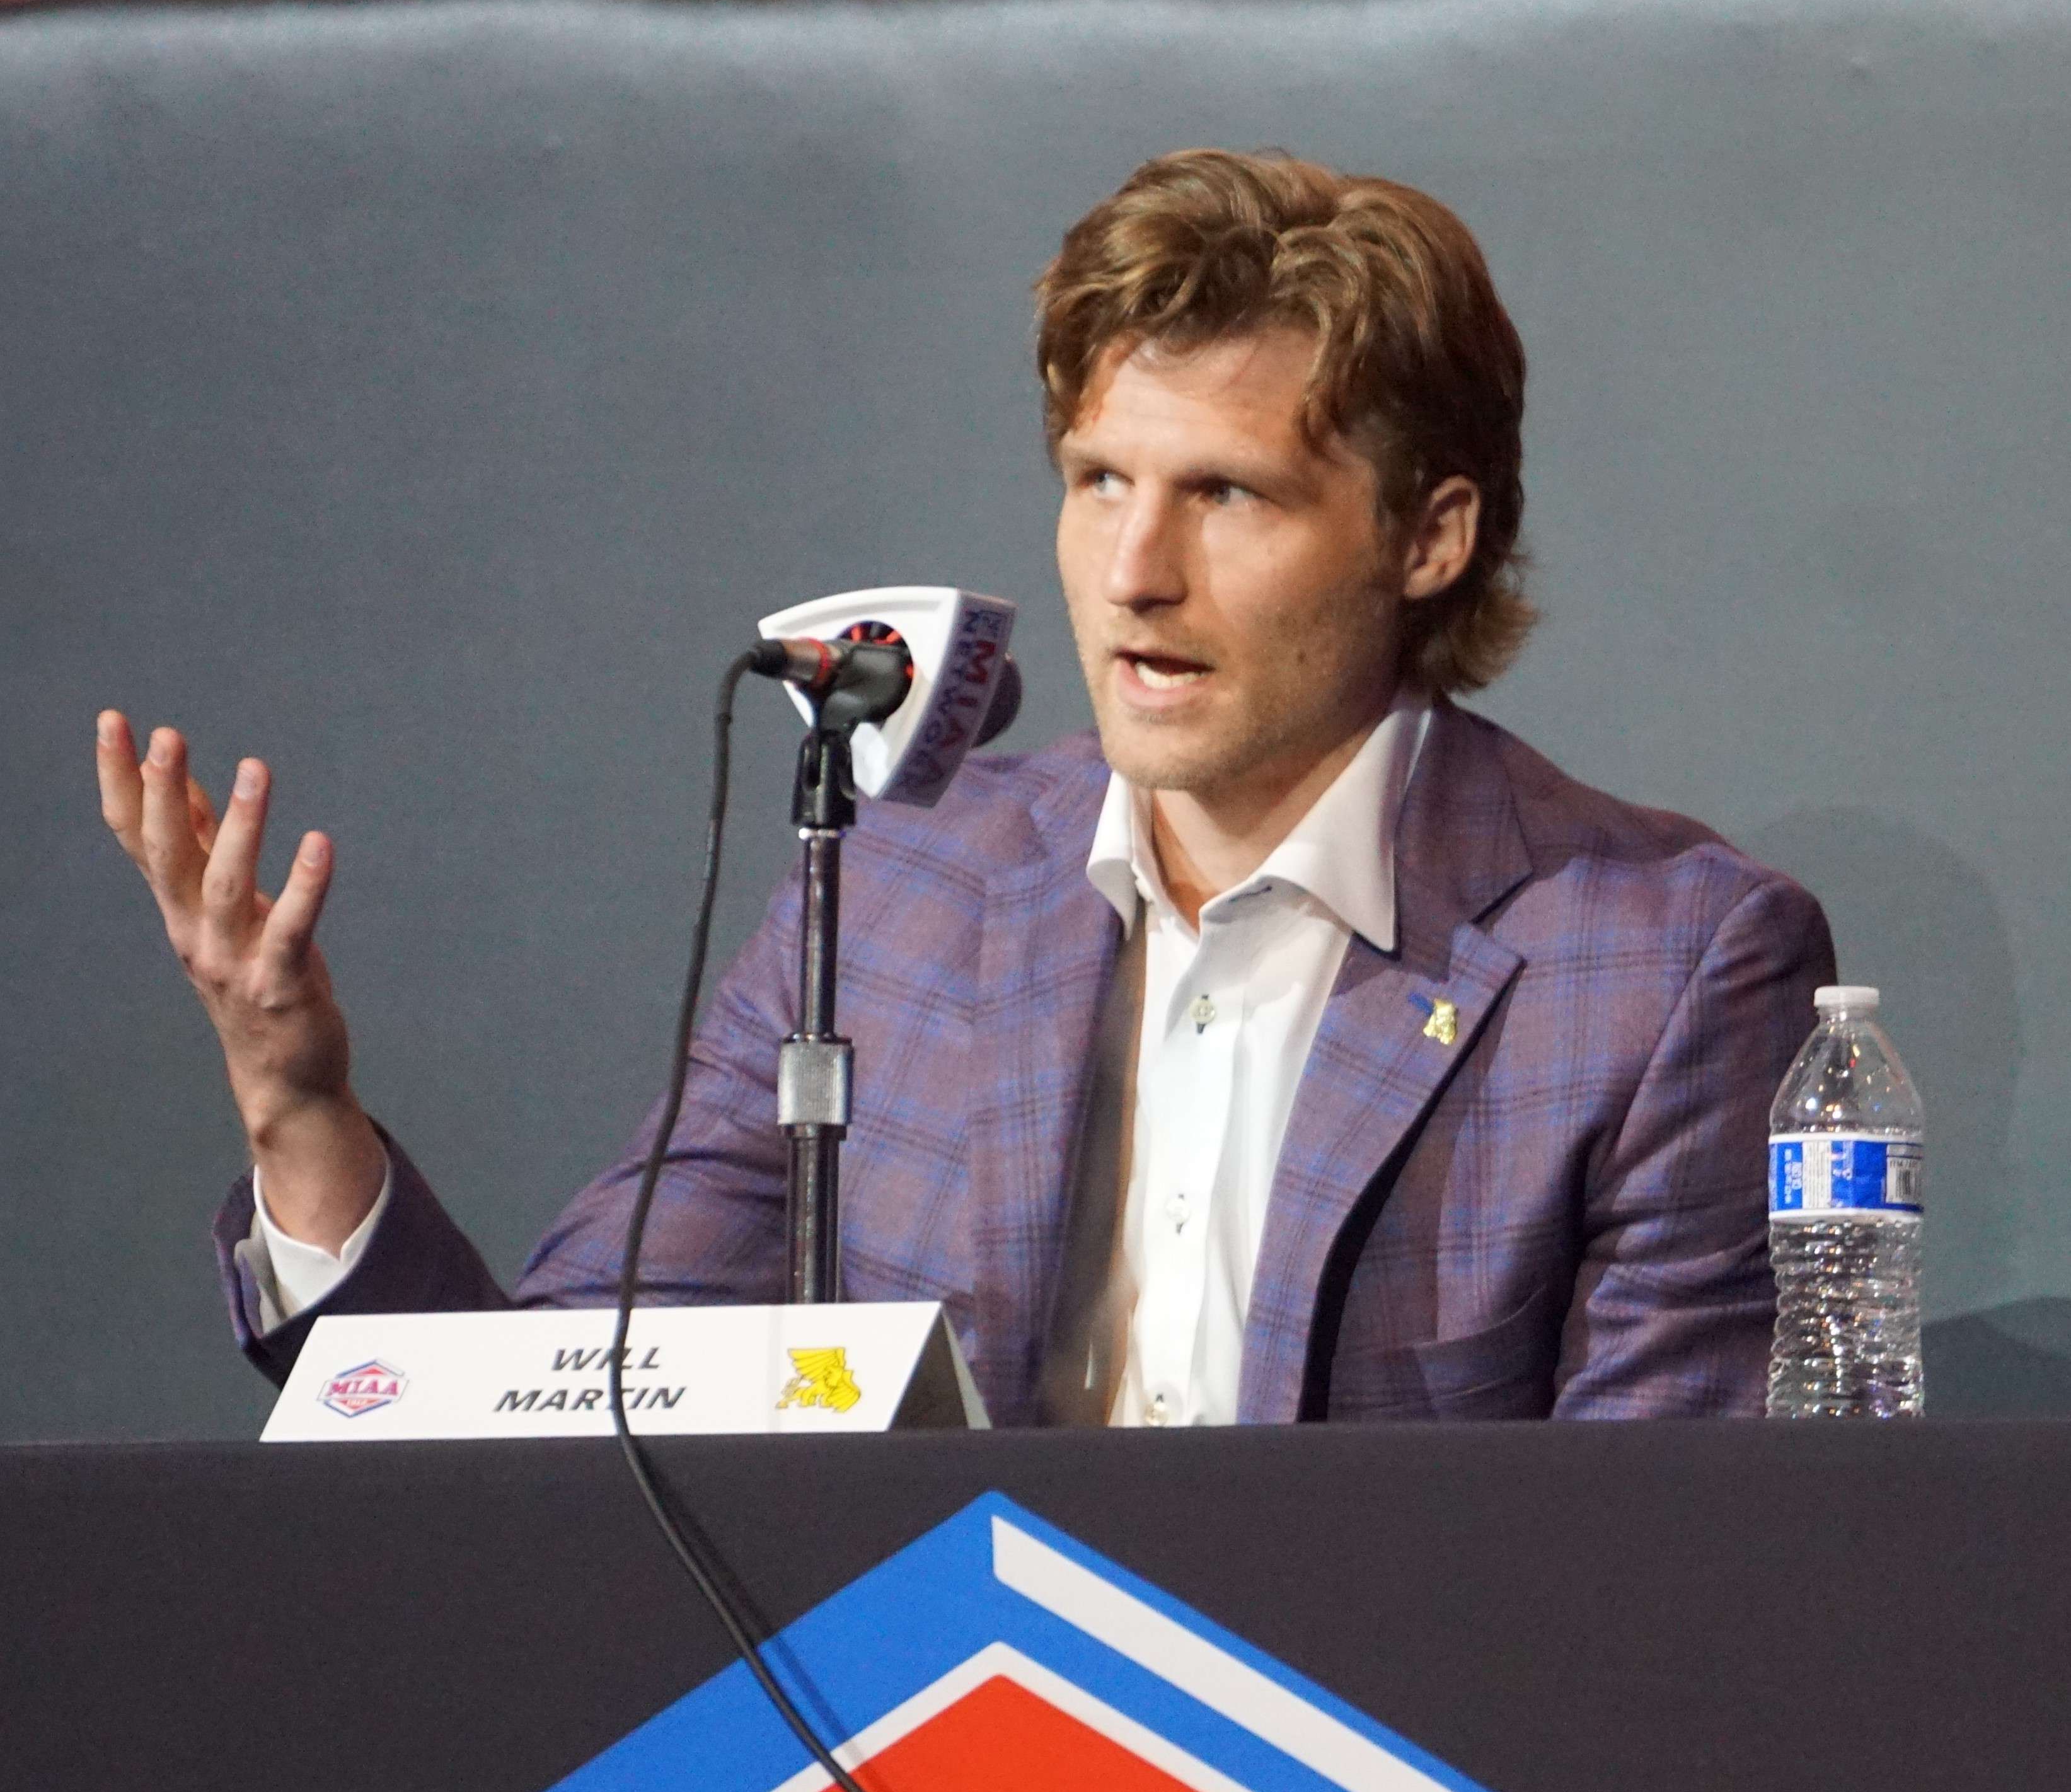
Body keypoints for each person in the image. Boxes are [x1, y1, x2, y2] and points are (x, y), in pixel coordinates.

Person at [96, 148, 1833, 1426]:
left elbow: (1661, 1576)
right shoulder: (901, 888)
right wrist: (299, 1115)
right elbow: (560, 1423)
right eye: (1097, 480)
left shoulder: (1659, 969)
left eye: (1227, 495)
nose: (1133, 572)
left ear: (1431, 535)